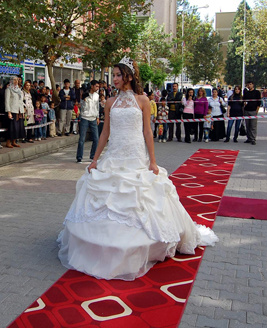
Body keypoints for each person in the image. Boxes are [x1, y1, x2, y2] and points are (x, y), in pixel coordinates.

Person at [57, 58, 217, 280]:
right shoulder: (110, 102)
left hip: (136, 157)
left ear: (129, 77)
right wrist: (94, 159)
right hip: (114, 156)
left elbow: (147, 132)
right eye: (113, 75)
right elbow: (105, 133)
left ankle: (143, 246)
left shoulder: (143, 100)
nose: (114, 79)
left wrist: (152, 161)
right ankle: (105, 246)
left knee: (141, 197)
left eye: (118, 75)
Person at [76, 80, 100, 163]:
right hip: (85, 117)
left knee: (96, 138)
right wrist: (83, 99)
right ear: (92, 86)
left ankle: (93, 155)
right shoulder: (85, 94)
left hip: (93, 118)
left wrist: (97, 117)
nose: (97, 88)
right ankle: (79, 156)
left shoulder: (97, 96)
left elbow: (97, 107)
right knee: (82, 139)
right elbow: (81, 106)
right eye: (96, 86)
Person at [5, 77, 24, 148]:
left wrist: (22, 110)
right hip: (12, 110)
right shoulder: (8, 89)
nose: (16, 81)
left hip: (19, 110)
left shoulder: (19, 90)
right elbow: (7, 101)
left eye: (17, 80)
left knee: (18, 127)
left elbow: (21, 101)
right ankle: (8, 142)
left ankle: (14, 141)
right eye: (14, 80)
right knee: (12, 127)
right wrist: (8, 112)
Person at [243, 81, 261, 145]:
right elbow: (244, 101)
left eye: (250, 84)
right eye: (248, 85)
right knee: (248, 125)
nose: (249, 86)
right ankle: (249, 138)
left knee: (253, 126)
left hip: (253, 111)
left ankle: (253, 139)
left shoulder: (257, 92)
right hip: (247, 111)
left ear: (253, 85)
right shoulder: (246, 93)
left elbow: (259, 102)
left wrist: (257, 111)